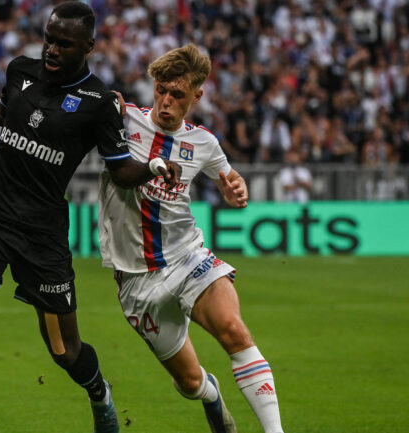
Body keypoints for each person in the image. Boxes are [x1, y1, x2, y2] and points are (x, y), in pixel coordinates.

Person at [0, 3, 178, 433]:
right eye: (48, 38)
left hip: (43, 232)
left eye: (63, 43)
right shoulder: (20, 70)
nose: (51, 48)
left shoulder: (100, 102)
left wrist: (156, 167)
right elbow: (2, 111)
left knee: (64, 350)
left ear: (88, 46)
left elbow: (121, 170)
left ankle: (99, 392)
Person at [100, 44, 284, 433]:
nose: (166, 101)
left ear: (196, 96)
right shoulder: (123, 120)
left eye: (177, 95)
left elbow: (229, 178)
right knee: (190, 383)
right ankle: (211, 395)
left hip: (187, 257)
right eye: (161, 91)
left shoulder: (204, 143)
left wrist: (235, 189)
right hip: (136, 280)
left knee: (234, 331)